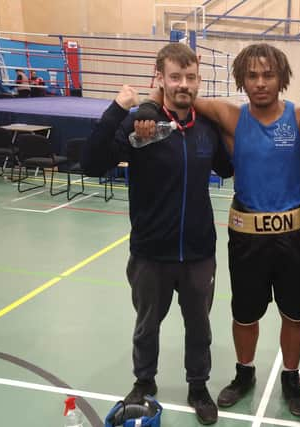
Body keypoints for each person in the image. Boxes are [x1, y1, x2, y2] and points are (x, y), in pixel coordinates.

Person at [141, 43, 300, 417]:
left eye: (268, 74)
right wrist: (151, 106)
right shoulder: (231, 116)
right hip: (247, 236)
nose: (261, 82)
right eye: (252, 75)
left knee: (294, 314)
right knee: (245, 314)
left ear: (282, 78)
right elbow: (177, 93)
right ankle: (244, 373)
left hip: (296, 236)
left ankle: (291, 378)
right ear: (242, 80)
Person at [81, 43, 233, 425]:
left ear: (199, 79)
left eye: (191, 77)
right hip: (150, 251)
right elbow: (92, 164)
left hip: (199, 251)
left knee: (200, 326)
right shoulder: (141, 125)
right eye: (175, 77)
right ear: (160, 78)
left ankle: (198, 386)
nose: (184, 84)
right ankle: (143, 382)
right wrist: (120, 110)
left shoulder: (206, 128)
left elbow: (228, 168)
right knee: (147, 324)